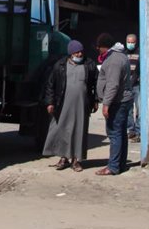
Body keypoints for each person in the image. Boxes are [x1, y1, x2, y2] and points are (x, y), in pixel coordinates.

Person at [42, 40, 98, 172]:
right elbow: (51, 84)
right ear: (70, 53)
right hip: (63, 104)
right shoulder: (60, 65)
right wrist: (50, 102)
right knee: (62, 130)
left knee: (79, 131)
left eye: (81, 51)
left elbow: (96, 83)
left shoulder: (89, 64)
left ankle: (76, 160)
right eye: (77, 52)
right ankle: (63, 158)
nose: (79, 54)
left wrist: (95, 100)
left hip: (82, 104)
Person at [94, 33, 132, 175]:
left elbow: (113, 84)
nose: (98, 51)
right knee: (121, 133)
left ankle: (113, 166)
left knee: (115, 133)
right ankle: (120, 164)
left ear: (103, 47)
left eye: (99, 48)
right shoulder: (121, 56)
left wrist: (106, 104)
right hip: (122, 100)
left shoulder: (114, 60)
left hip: (117, 102)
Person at [125, 33, 141, 141]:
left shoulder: (140, 53)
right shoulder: (124, 54)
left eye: (132, 42)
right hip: (127, 86)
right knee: (128, 110)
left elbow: (139, 70)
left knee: (139, 108)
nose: (130, 44)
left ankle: (139, 131)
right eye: (128, 42)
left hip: (137, 85)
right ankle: (131, 130)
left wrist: (135, 79)